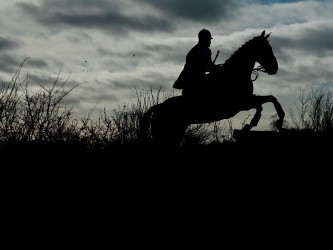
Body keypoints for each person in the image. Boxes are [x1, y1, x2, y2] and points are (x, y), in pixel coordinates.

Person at [173, 29, 218, 98]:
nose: (210, 41)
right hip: (191, 81)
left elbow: (209, 65)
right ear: (203, 39)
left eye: (210, 39)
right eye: (208, 39)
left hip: (198, 79)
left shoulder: (207, 51)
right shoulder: (195, 52)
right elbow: (197, 68)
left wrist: (214, 67)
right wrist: (212, 68)